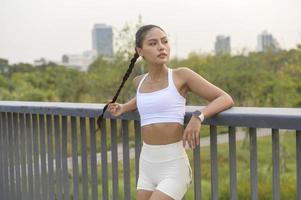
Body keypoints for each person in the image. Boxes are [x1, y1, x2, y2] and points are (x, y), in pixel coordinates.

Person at [103, 24, 234, 200]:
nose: (161, 47)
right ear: (140, 50)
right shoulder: (139, 82)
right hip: (147, 163)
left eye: (164, 41)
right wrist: (124, 107)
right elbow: (147, 98)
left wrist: (198, 116)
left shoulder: (181, 76)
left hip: (173, 165)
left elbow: (225, 98)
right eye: (153, 43)